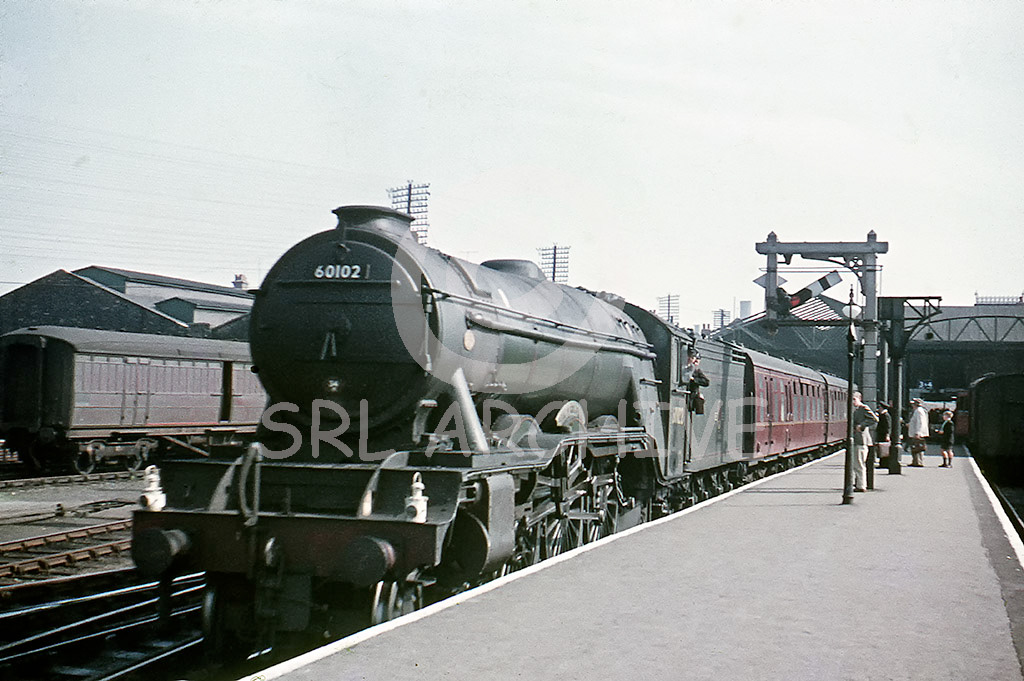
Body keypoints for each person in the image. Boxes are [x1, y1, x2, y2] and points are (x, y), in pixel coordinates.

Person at [851, 391, 878, 492]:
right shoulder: (857, 410)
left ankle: (861, 485)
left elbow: (874, 419)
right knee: (856, 464)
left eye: (854, 399)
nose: (853, 402)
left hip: (862, 440)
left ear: (859, 399)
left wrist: (861, 426)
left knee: (859, 464)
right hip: (857, 439)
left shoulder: (864, 408)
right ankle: (858, 483)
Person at [681, 346, 710, 413]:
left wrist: (694, 379)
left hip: (691, 396)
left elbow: (706, 382)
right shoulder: (682, 367)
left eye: (692, 358)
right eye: (689, 357)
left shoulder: (695, 370)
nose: (690, 359)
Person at [907, 398, 929, 467]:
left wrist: (918, 432)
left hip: (917, 433)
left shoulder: (919, 411)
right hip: (915, 432)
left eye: (913, 404)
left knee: (918, 447)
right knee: (915, 447)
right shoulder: (917, 411)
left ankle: (918, 461)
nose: (912, 405)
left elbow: (920, 422)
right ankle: (915, 461)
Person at [873, 401, 891, 468]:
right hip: (881, 434)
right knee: (881, 449)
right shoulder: (883, 415)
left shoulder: (886, 416)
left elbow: (888, 426)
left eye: (880, 407)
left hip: (883, 435)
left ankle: (884, 464)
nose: (879, 408)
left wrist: (887, 435)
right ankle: (882, 463)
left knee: (884, 449)